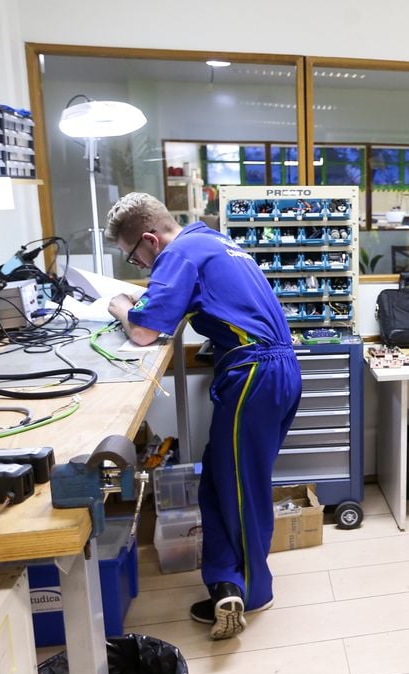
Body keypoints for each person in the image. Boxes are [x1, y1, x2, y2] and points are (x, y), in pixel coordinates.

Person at [105, 192, 301, 640]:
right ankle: (225, 584)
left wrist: (117, 304)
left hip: (254, 375)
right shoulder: (211, 242)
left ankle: (253, 592)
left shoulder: (179, 254)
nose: (139, 267)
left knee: (241, 489)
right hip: (276, 371)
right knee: (220, 479)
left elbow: (141, 330)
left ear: (151, 240)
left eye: (134, 257)